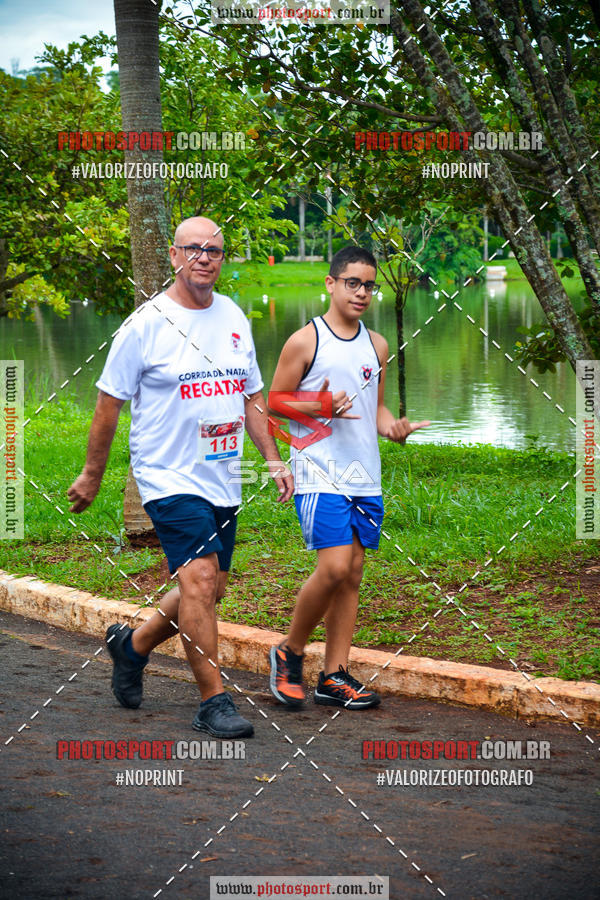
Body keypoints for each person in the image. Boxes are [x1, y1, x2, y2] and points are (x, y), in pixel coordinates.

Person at [67, 216, 293, 738]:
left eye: (214, 250)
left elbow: (252, 396)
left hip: (221, 475)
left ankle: (133, 646)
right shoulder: (145, 324)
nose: (204, 258)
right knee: (200, 578)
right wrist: (92, 474)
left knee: (210, 590)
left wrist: (274, 458)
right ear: (174, 256)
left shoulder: (234, 316)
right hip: (166, 475)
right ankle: (213, 702)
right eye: (194, 249)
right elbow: (108, 403)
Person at [268, 246, 429, 710]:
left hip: (365, 475)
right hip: (320, 471)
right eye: (353, 283)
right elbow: (274, 401)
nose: (362, 292)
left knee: (353, 574)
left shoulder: (377, 345)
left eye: (369, 285)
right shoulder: (306, 340)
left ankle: (333, 676)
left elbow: (374, 409)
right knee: (334, 567)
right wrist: (319, 405)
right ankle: (289, 651)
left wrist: (393, 427)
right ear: (331, 283)